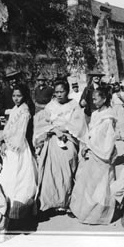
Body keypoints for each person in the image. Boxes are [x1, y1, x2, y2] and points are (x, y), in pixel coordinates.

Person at [33, 81, 88, 214]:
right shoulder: (50, 106)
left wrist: (63, 129)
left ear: (67, 91)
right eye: (56, 92)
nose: (58, 95)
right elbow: (41, 122)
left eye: (61, 91)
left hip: (68, 139)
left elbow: (78, 124)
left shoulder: (73, 105)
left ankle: (66, 201)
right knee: (50, 172)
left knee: (68, 169)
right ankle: (51, 202)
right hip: (52, 139)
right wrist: (54, 129)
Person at [70, 86, 118, 225]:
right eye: (92, 99)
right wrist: (86, 145)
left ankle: (99, 214)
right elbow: (90, 132)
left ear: (104, 99)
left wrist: (103, 152)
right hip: (92, 151)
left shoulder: (108, 117)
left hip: (101, 153)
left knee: (101, 186)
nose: (93, 101)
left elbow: (108, 139)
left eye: (96, 98)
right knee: (88, 184)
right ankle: (87, 212)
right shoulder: (96, 113)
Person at [0, 84, 38, 228]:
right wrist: (3, 140)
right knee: (8, 174)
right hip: (10, 145)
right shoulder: (16, 108)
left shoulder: (25, 110)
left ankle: (19, 208)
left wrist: (8, 143)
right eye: (14, 96)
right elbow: (9, 126)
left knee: (19, 175)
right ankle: (7, 203)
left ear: (24, 96)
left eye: (19, 96)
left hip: (18, 146)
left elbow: (19, 132)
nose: (16, 98)